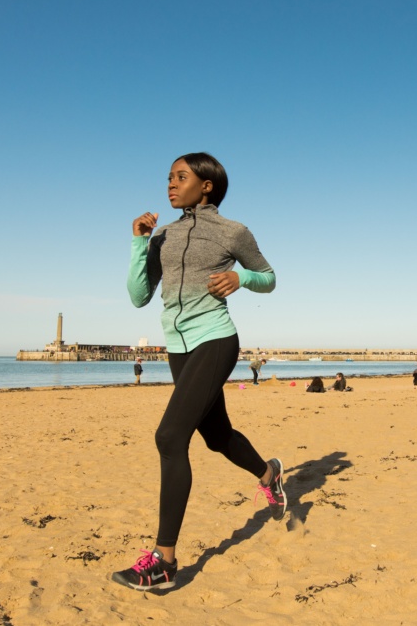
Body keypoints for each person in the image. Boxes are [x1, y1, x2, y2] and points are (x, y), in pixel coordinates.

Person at [115, 152, 284, 592]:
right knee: (216, 435)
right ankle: (269, 474)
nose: (171, 184)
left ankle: (164, 561)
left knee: (170, 437)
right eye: (169, 177)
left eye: (181, 177)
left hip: (215, 339)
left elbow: (268, 276)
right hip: (178, 348)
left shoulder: (232, 232)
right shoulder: (162, 236)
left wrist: (240, 280)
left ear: (206, 185)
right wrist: (138, 242)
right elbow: (138, 296)